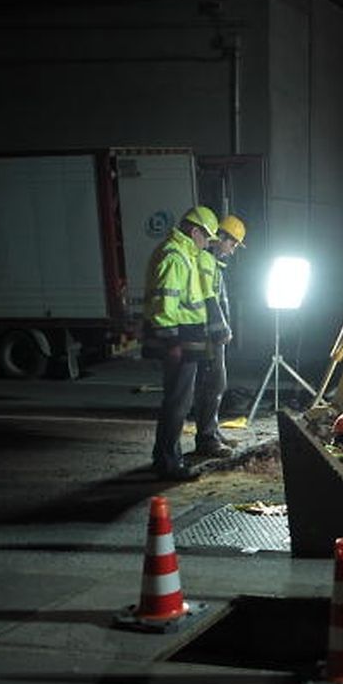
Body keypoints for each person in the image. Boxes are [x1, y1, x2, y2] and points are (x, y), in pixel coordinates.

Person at [141, 205, 219, 481]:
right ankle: (167, 462)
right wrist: (172, 341)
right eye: (207, 237)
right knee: (177, 402)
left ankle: (166, 456)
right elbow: (165, 305)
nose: (208, 243)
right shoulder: (175, 256)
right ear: (194, 231)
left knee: (177, 400)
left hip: (186, 339)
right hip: (179, 341)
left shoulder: (183, 253)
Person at [193, 214, 246, 458]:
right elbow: (208, 298)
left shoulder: (213, 263)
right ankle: (207, 439)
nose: (233, 250)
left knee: (215, 385)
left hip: (209, 335)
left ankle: (211, 432)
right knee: (212, 385)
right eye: (232, 243)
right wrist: (221, 329)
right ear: (220, 237)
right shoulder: (205, 260)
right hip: (207, 336)